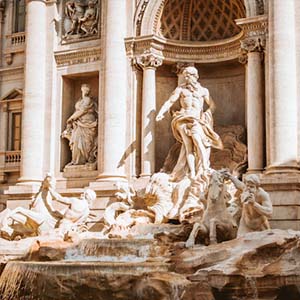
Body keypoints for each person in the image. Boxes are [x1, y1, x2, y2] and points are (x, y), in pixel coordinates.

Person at [156, 66, 223, 182]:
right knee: (188, 147)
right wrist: (161, 113)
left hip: (197, 119)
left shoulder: (203, 90)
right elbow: (170, 101)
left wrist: (206, 114)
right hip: (182, 118)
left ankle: (205, 167)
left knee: (198, 140)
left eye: (189, 75)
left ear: (196, 76)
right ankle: (192, 172)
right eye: (185, 76)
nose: (186, 78)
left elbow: (212, 105)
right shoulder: (180, 89)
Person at [224, 172, 272, 236]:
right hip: (245, 225)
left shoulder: (262, 195)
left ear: (257, 187)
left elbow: (269, 213)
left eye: (252, 187)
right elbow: (238, 184)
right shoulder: (245, 189)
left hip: (260, 226)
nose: (248, 188)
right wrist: (230, 176)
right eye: (247, 186)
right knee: (240, 242)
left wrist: (254, 204)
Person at [62, 83, 97, 166]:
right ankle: (76, 160)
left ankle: (86, 158)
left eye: (87, 89)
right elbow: (77, 111)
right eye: (84, 89)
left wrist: (71, 118)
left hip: (87, 122)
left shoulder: (87, 99)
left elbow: (82, 110)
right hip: (79, 123)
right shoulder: (79, 100)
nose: (85, 90)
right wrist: (72, 119)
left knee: (87, 142)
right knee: (76, 141)